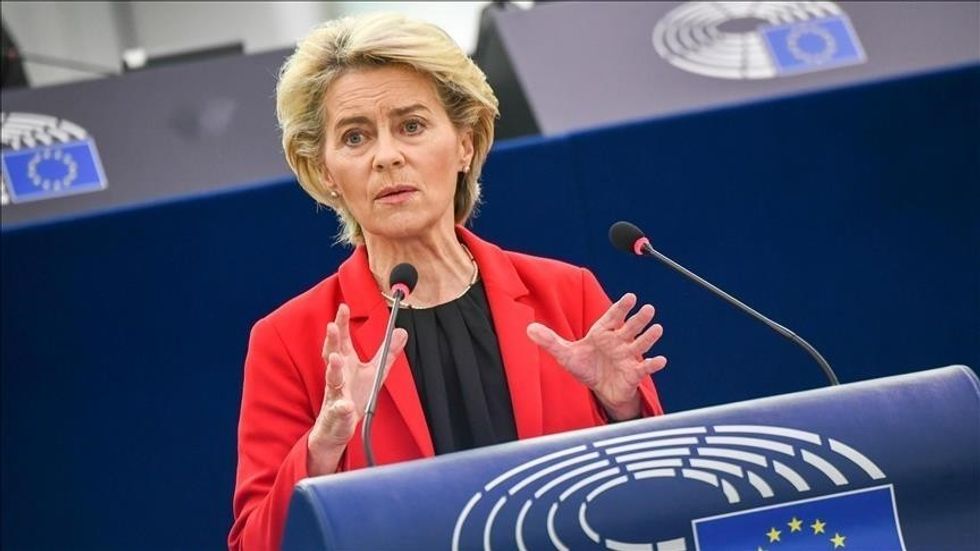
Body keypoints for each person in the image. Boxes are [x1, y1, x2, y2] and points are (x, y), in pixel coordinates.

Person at [229, 12, 667, 550]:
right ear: (324, 171)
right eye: (355, 137)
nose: (386, 156)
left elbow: (659, 503)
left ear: (465, 142)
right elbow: (256, 543)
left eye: (411, 126)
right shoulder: (289, 340)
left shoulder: (566, 294)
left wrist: (623, 411)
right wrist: (323, 445)